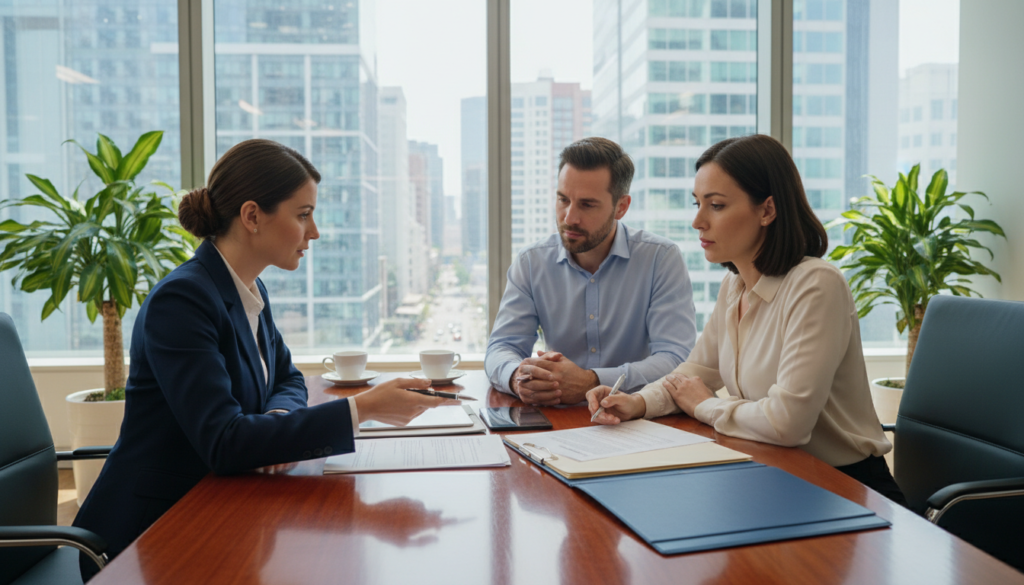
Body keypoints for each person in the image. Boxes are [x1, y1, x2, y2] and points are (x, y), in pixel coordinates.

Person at [73, 139, 446, 579]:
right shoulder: (184, 299)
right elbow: (224, 441)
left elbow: (287, 377)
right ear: (252, 216)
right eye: (303, 215)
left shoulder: (247, 289)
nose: (315, 232)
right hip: (151, 535)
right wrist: (363, 408)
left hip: (220, 505)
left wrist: (273, 417)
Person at [587, 134, 905, 504]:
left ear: (767, 210)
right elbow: (693, 375)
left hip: (843, 487)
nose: (698, 222)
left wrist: (703, 405)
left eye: (716, 206)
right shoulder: (734, 286)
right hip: (774, 473)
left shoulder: (816, 285)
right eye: (697, 204)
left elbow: (787, 423)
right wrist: (636, 402)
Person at [485, 137, 696, 405]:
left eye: (587, 205)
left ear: (621, 206)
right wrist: (518, 377)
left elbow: (676, 358)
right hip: (558, 417)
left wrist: (593, 381)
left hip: (636, 418)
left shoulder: (660, 259)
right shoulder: (531, 262)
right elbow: (502, 347)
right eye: (563, 199)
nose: (569, 217)